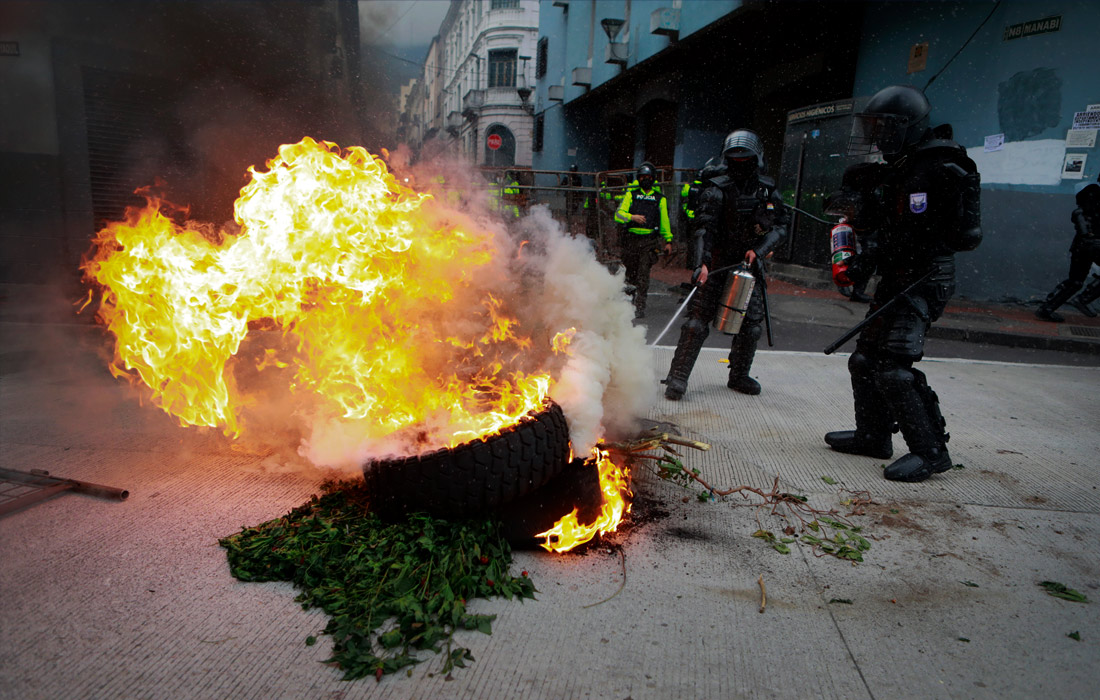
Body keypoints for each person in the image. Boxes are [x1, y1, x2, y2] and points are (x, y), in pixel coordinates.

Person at [823, 85, 982, 483]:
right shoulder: (902, 167)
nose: (878, 135)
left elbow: (940, 237)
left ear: (907, 126)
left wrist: (864, 263)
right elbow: (886, 229)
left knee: (894, 368)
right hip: (898, 273)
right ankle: (873, 436)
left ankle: (931, 452)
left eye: (884, 126)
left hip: (926, 277)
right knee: (864, 360)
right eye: (874, 126)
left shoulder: (939, 166)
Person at [663, 130, 788, 399]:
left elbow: (780, 227)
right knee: (696, 323)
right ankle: (678, 377)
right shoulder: (716, 190)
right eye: (735, 159)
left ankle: (739, 375)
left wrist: (760, 249)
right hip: (717, 262)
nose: (740, 165)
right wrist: (702, 264)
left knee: (751, 325)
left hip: (748, 266)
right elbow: (703, 230)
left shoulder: (767, 190)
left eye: (746, 159)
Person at [1035, 175, 1100, 321]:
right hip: (1088, 245)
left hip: (1084, 245)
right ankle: (1082, 300)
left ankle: (1047, 308)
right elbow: (1080, 214)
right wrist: (1089, 236)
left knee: (1075, 281)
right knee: (1075, 281)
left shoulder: (1092, 194)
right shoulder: (1092, 193)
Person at [615, 162, 672, 319]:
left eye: (648, 177)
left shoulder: (660, 198)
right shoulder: (631, 195)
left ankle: (639, 306)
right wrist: (631, 217)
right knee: (630, 274)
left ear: (653, 179)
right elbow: (618, 214)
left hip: (649, 241)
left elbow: (664, 221)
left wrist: (668, 240)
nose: (645, 179)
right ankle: (628, 304)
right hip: (631, 240)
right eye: (642, 177)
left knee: (643, 275)